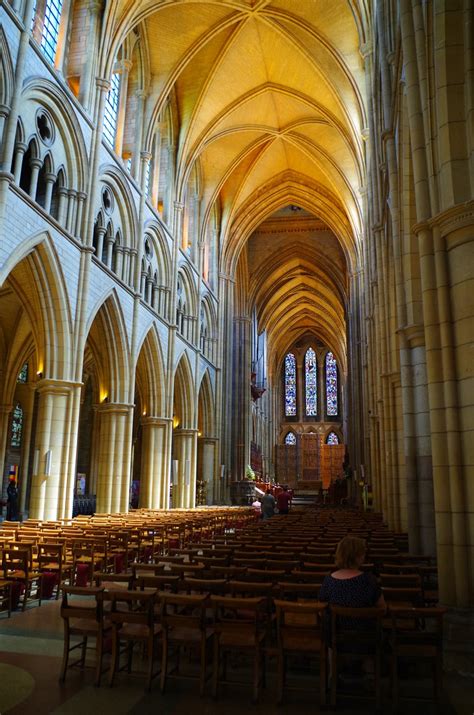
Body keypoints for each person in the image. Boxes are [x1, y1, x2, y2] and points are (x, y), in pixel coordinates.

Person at [318, 535, 386, 671]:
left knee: (329, 628)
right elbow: (382, 609)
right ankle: (370, 673)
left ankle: (333, 674)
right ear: (358, 556)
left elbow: (321, 610)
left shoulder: (329, 581)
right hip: (366, 639)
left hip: (336, 638)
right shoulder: (369, 581)